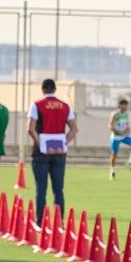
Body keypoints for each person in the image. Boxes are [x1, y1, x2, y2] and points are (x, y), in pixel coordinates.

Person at [27, 78, 78, 222]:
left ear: (43, 90)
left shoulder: (37, 105)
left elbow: (30, 129)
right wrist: (63, 143)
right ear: (55, 89)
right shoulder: (65, 106)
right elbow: (74, 129)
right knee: (58, 190)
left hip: (41, 153)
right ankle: (58, 222)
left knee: (41, 189)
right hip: (59, 152)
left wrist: (41, 144)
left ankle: (40, 222)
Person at [108, 98, 131, 179]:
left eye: (126, 105)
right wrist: (118, 131)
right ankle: (112, 170)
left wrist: (128, 129)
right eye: (124, 104)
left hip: (124, 136)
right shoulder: (115, 114)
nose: (126, 106)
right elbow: (110, 126)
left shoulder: (126, 114)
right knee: (114, 154)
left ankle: (130, 162)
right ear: (120, 105)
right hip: (116, 137)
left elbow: (126, 124)